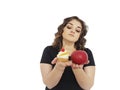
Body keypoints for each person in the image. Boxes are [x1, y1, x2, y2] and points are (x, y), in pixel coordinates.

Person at [40, 16, 96, 90]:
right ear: (62, 30)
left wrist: (77, 68)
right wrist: (59, 67)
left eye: (77, 30)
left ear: (80, 36)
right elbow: (49, 84)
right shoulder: (49, 50)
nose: (73, 31)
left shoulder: (86, 53)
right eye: (69, 27)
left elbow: (87, 86)